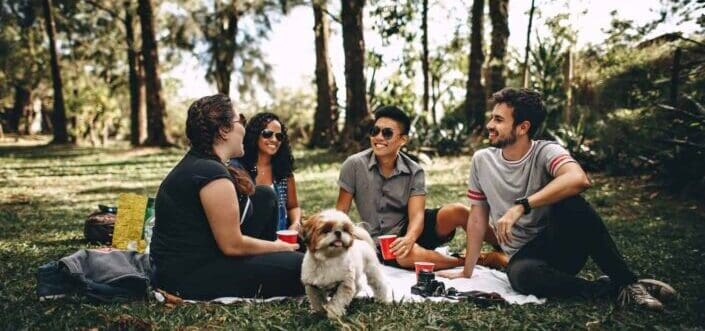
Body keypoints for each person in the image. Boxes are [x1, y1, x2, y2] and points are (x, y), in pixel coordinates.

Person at [438, 87, 676, 310]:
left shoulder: (546, 151)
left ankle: (628, 282)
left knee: (572, 202)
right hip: (525, 259)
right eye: (492, 117)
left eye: (499, 120)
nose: (490, 125)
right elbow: (478, 218)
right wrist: (466, 271)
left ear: (523, 127)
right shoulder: (482, 160)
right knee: (520, 276)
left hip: (561, 246)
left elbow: (578, 179)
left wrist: (522, 206)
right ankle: (611, 289)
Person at [150, 94, 304, 300]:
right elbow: (232, 245)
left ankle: (273, 260)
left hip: (198, 259)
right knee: (307, 268)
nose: (244, 127)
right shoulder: (211, 174)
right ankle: (276, 261)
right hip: (191, 276)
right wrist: (279, 247)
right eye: (240, 120)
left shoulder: (203, 163)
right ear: (224, 130)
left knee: (264, 195)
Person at [335, 105, 506, 270]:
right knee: (406, 255)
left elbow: (417, 216)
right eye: (375, 131)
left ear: (402, 140)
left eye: (387, 133)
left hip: (412, 228)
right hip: (380, 242)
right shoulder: (354, 165)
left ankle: (505, 247)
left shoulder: (414, 171)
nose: (378, 137)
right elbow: (341, 211)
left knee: (458, 211)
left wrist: (409, 238)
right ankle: (477, 260)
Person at [233, 112, 301, 232]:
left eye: (279, 136)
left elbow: (293, 206)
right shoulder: (237, 168)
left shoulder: (283, 171)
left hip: (279, 239)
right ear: (255, 135)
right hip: (248, 240)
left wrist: (295, 223)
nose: (274, 140)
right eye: (267, 134)